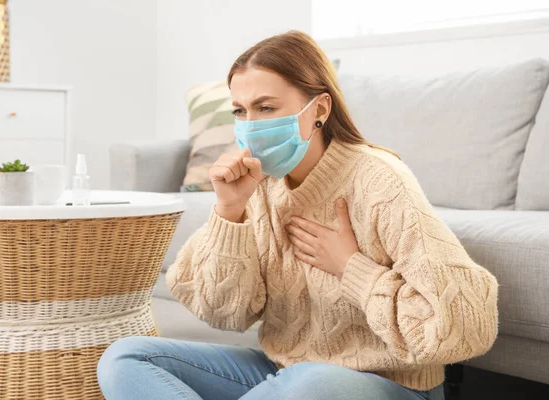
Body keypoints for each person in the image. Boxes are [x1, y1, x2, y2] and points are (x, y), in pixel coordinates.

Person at [97, 30, 499, 400]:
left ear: (319, 107)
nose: (250, 126)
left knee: (311, 383)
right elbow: (223, 312)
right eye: (240, 111)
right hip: (283, 374)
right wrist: (230, 212)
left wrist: (352, 268)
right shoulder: (257, 185)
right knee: (126, 358)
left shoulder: (380, 180)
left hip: (385, 385)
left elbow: (463, 327)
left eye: (266, 107)